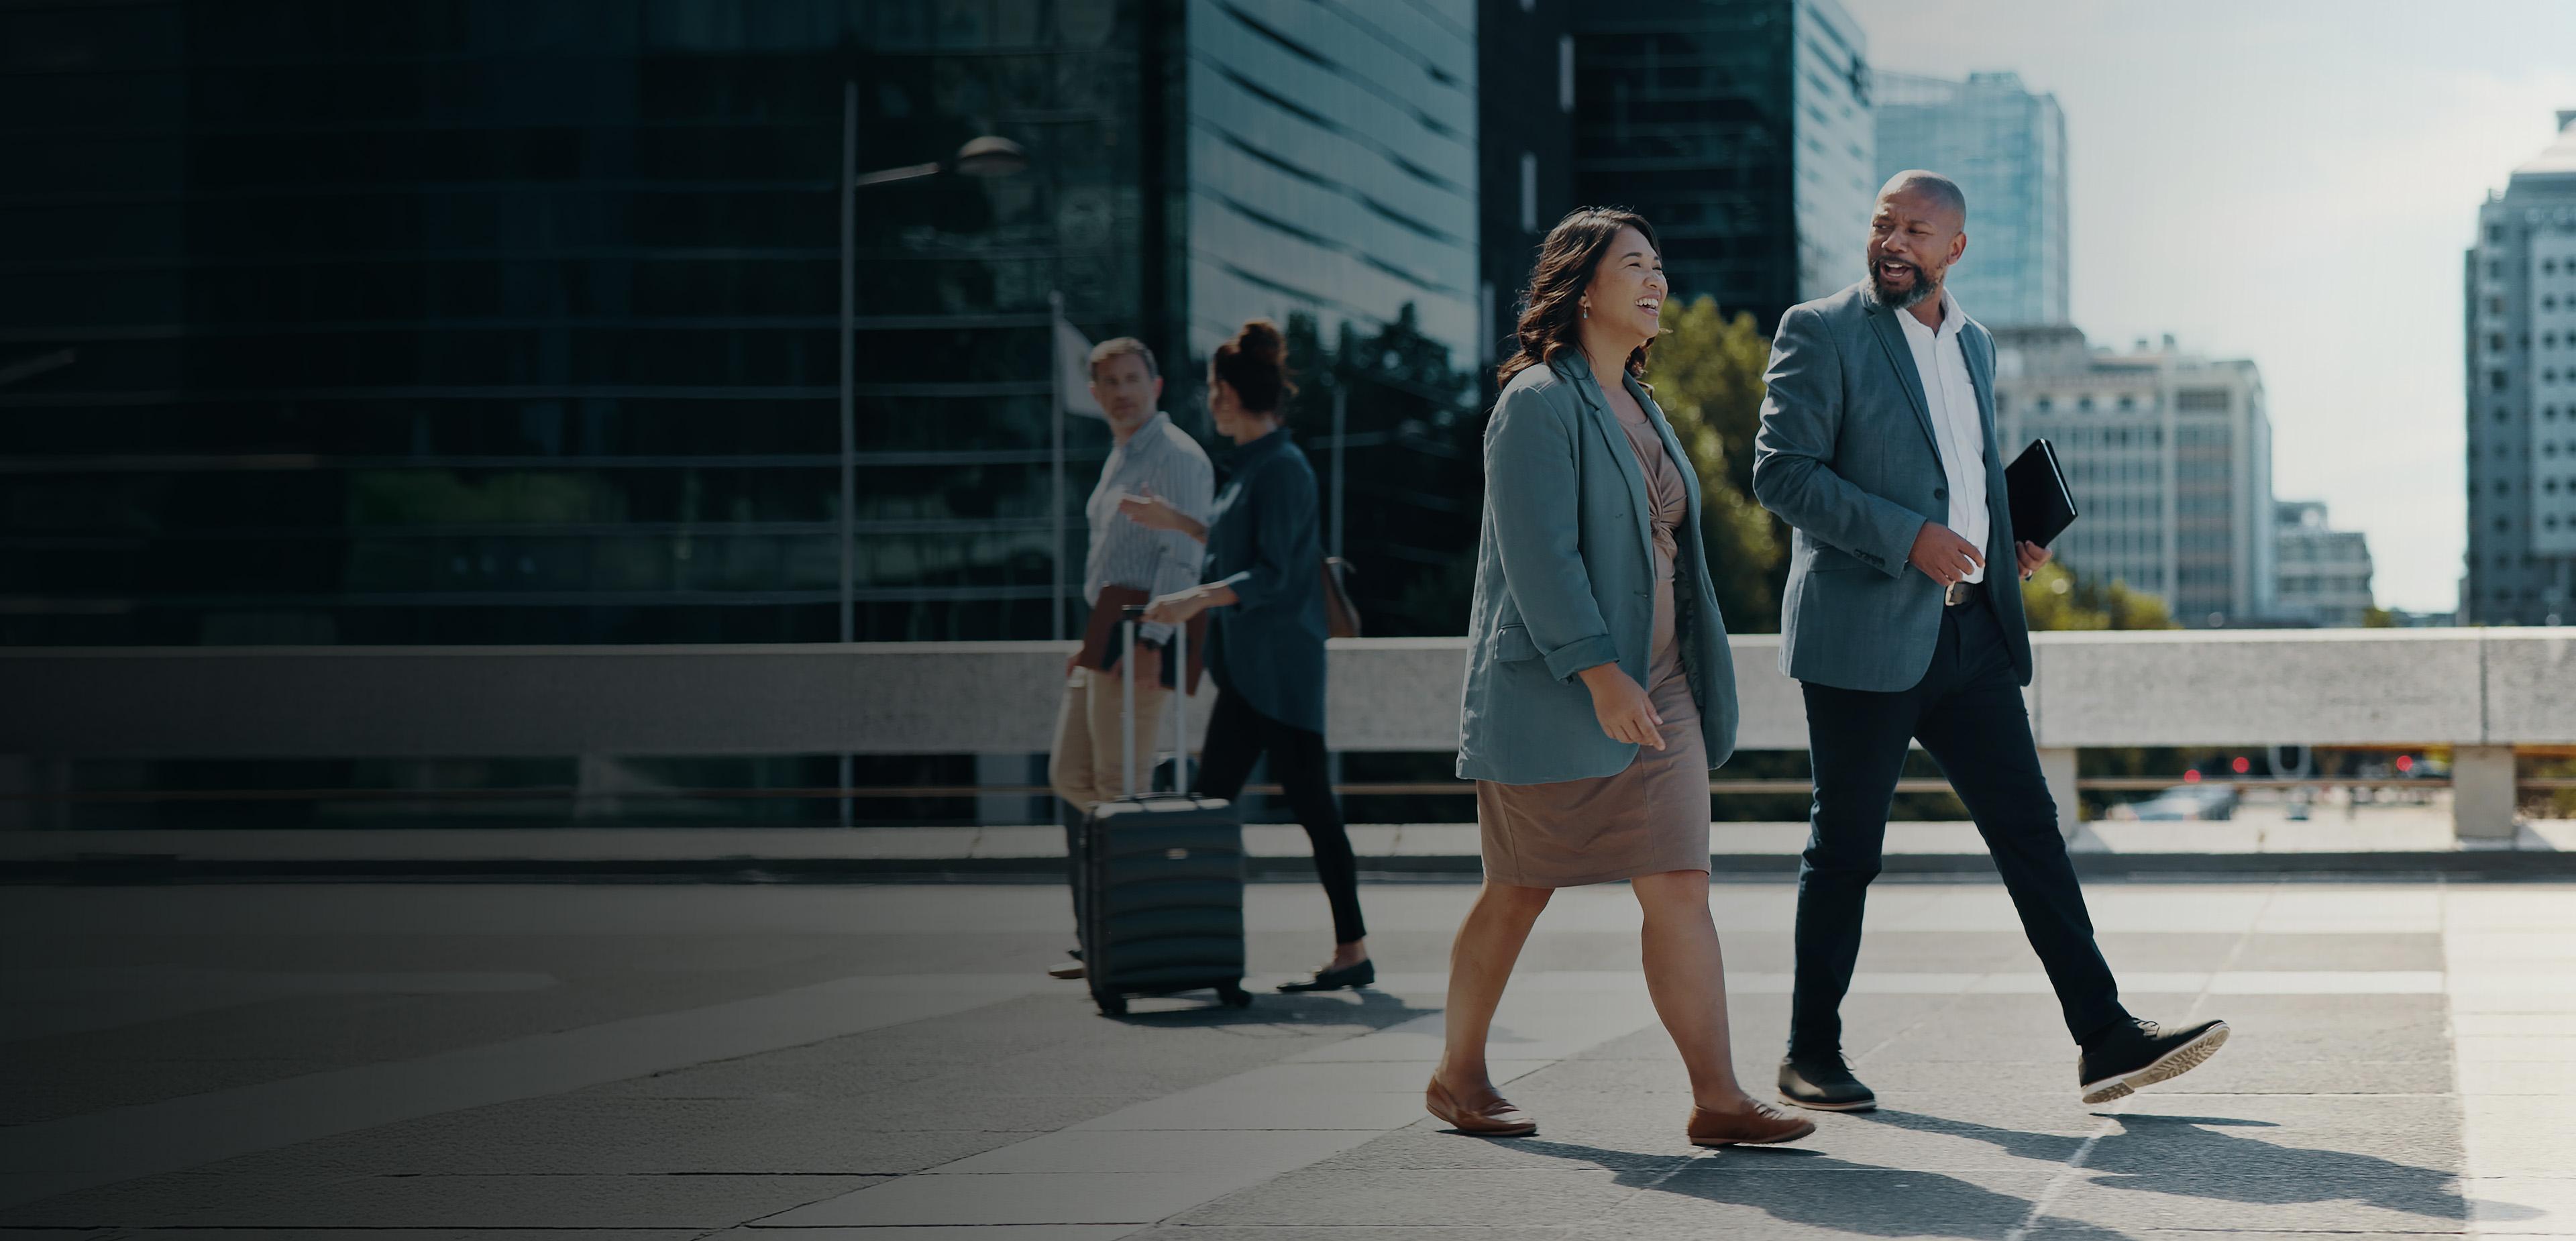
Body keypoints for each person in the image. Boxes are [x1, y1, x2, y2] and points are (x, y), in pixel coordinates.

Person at [1750, 171, 2231, 1110]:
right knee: (1846, 847)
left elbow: (1960, 471)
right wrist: (1909, 538)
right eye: (1884, 224)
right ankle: (1810, 1052)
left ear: (1954, 250)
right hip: (1864, 631)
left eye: (1916, 231)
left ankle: (2103, 1037)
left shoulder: (1975, 343)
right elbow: (1781, 474)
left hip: (1970, 631)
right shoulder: (1819, 329)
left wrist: (2002, 538)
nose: (1894, 242)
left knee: (2030, 832)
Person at [1437, 207, 1813, 1148]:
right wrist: (1601, 672)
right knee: (1520, 886)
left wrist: (1652, 670)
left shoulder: (1642, 403)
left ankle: (1719, 1095)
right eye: (1635, 265)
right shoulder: (1536, 401)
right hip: (1564, 688)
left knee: (1681, 883)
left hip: (1664, 686)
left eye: (1660, 266)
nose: (1656, 282)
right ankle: (1459, 1073)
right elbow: (1539, 554)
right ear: (1582, 285)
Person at [1129, 320, 1372, 993]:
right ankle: (1206, 949)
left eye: (1213, 388)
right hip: (1252, 673)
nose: (1209, 400)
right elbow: (1238, 544)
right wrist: (1176, 523)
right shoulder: (1255, 469)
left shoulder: (1284, 468)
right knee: (1232, 803)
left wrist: (1192, 600)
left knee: (1295, 806)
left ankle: (1210, 948)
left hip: (1282, 673)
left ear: (1232, 393)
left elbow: (1275, 573)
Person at [1044, 337, 1214, 981]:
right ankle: (1110, 928)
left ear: (1157, 384)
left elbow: (1183, 556)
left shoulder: (1172, 456)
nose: (1121, 391)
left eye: (1132, 378)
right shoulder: (1121, 454)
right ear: (1094, 394)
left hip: (1144, 630)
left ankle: (1125, 943)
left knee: (1122, 791)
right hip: (1104, 633)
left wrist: (1152, 644)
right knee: (1071, 776)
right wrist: (1090, 641)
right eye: (1109, 382)